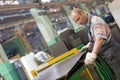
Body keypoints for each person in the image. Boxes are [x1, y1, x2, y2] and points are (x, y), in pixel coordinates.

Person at [71, 8, 120, 80]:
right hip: (107, 54)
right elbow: (95, 37)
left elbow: (99, 39)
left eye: (78, 19)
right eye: (76, 21)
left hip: (112, 52)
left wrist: (93, 54)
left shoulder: (95, 22)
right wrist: (89, 45)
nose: (78, 22)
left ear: (82, 13)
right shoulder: (88, 24)